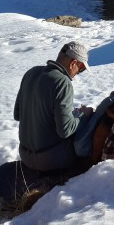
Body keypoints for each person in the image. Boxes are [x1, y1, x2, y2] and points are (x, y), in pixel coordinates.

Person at [13, 41, 92, 173]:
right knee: (89, 128)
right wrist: (84, 115)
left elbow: (17, 114)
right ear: (73, 63)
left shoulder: (31, 73)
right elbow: (65, 130)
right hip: (50, 159)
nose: (78, 73)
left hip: (25, 155)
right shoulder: (63, 82)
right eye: (81, 69)